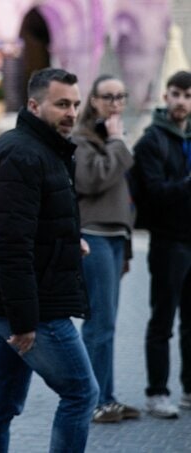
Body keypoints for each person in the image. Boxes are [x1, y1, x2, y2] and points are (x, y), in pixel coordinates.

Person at [0, 67, 98, 452]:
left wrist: (69, 242)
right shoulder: (24, 154)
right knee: (81, 393)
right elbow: (10, 245)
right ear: (34, 105)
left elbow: (33, 223)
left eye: (75, 104)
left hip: (7, 303)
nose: (71, 113)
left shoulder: (44, 147)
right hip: (31, 309)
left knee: (1, 404)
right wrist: (24, 322)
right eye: (62, 104)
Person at [73, 74, 141, 423]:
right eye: (108, 97)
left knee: (108, 324)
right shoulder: (81, 139)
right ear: (94, 101)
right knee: (99, 325)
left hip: (114, 239)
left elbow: (122, 196)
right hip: (94, 236)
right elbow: (92, 180)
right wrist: (117, 142)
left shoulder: (111, 138)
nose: (115, 103)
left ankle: (108, 397)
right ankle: (94, 401)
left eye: (120, 96)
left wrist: (126, 249)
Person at [132, 70, 191, 419]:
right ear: (165, 97)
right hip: (168, 242)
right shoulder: (151, 141)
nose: (181, 101)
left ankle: (188, 389)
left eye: (188, 95)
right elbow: (153, 194)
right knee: (163, 321)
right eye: (176, 94)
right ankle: (157, 392)